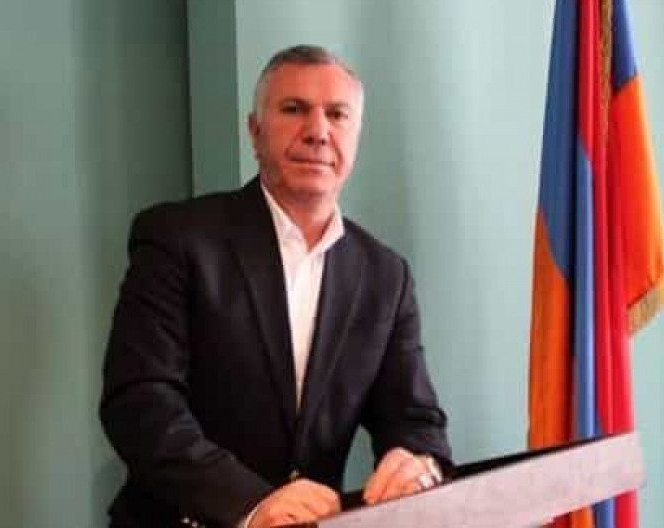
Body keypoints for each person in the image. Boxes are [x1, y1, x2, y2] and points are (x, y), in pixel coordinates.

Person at [100, 44, 452, 528]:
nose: (318, 131)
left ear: (356, 134)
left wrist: (419, 466)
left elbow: (416, 421)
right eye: (294, 109)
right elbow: (139, 401)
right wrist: (250, 504)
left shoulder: (385, 275)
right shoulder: (177, 239)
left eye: (337, 114)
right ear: (255, 131)